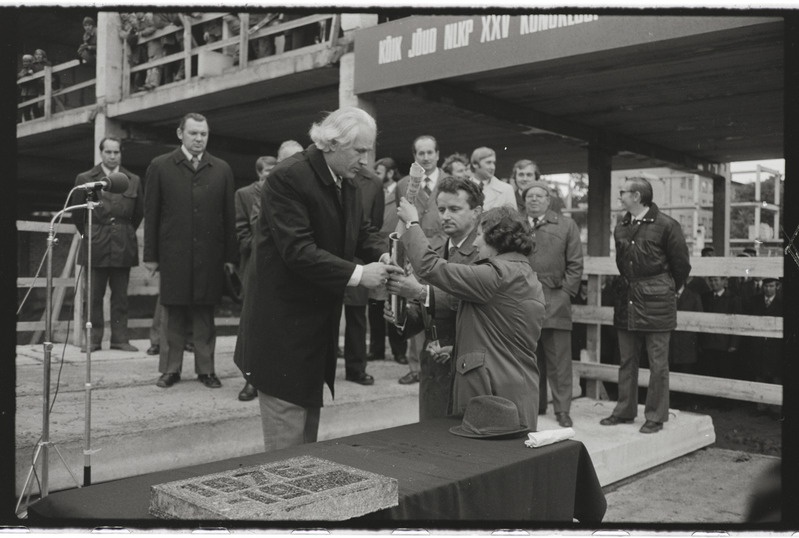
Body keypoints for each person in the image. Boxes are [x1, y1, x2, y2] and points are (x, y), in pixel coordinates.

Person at [233, 106, 399, 452]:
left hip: (312, 336)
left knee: (305, 448)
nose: (367, 160)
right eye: (360, 151)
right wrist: (359, 274)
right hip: (282, 336)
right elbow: (298, 250)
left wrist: (381, 254)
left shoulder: (345, 179)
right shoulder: (288, 177)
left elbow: (359, 232)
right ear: (332, 144)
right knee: (286, 453)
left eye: (369, 150)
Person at [391, 203, 545, 431]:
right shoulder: (521, 273)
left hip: (495, 394)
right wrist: (458, 351)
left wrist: (412, 223)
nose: (475, 242)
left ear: (497, 239)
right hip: (513, 388)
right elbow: (503, 337)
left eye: (481, 235)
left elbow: (430, 266)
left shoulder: (497, 275)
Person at [144, 112, 237, 389]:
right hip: (174, 253)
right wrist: (151, 255)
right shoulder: (160, 166)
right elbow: (152, 214)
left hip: (210, 255)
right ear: (180, 134)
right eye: (193, 133)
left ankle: (206, 370)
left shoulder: (221, 169)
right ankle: (170, 370)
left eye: (204, 134)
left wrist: (230, 257)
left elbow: (228, 217)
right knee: (173, 312)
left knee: (205, 314)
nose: (199, 139)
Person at [385, 176, 483, 420]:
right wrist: (401, 315)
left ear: (477, 212)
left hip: (468, 369)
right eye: (441, 209)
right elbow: (427, 312)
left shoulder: (483, 253)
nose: (445, 215)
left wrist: (417, 291)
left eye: (455, 209)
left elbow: (463, 300)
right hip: (434, 369)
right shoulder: (437, 252)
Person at [601, 176, 690, 434]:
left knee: (657, 363)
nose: (620, 197)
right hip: (627, 299)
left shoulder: (666, 225)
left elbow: (681, 265)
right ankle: (625, 410)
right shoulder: (622, 225)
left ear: (637, 196)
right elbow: (622, 263)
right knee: (626, 360)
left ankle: (655, 416)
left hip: (657, 302)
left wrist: (663, 288)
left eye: (623, 192)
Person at [71, 137, 144, 353]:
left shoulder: (133, 179)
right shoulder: (86, 178)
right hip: (96, 243)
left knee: (121, 296)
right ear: (101, 153)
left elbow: (138, 213)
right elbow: (77, 213)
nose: (112, 156)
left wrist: (125, 231)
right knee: (93, 295)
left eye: (116, 152)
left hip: (123, 244)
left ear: (121, 153)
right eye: (108, 152)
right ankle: (93, 340)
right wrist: (91, 234)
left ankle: (120, 339)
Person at [523, 182, 583, 428]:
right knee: (528, 357)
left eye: (539, 196)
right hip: (523, 300)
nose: (534, 200)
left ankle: (562, 410)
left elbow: (576, 264)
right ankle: (534, 405)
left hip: (556, 298)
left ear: (549, 200)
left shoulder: (566, 225)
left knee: (559, 359)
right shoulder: (517, 225)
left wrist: (566, 293)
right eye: (529, 196)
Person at [394, 135, 447, 385]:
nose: (425, 157)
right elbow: (401, 221)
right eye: (420, 153)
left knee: (440, 306)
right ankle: (415, 367)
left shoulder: (451, 181)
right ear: (414, 156)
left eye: (430, 153)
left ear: (438, 154)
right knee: (415, 305)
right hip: (415, 256)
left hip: (442, 254)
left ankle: (441, 359)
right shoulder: (404, 183)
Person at [233, 155, 277, 401]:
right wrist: (265, 248)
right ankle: (250, 380)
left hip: (279, 267)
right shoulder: (245, 194)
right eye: (268, 171)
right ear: (259, 173)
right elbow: (242, 233)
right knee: (251, 322)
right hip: (254, 264)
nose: (271, 175)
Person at [342, 166, 385, 385]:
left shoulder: (374, 183)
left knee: (357, 316)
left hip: (359, 256)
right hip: (330, 257)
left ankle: (356, 368)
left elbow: (373, 225)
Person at [368, 157, 408, 365]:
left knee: (395, 301)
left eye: (380, 171)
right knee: (375, 303)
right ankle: (376, 349)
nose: (376, 175)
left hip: (396, 249)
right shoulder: (375, 192)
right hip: (377, 250)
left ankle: (399, 350)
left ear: (391, 173)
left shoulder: (400, 193)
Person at [745, 277, 782, 405]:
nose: (768, 289)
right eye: (766, 286)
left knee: (775, 377)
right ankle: (760, 406)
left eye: (771, 286)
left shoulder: (782, 303)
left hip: (775, 346)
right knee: (759, 375)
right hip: (758, 345)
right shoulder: (755, 301)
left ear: (777, 287)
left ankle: (775, 408)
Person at [699, 276, 742, 380]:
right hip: (708, 343)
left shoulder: (733, 298)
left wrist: (733, 344)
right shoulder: (704, 297)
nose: (713, 283)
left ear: (724, 281)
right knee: (708, 374)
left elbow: (737, 322)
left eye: (716, 280)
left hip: (724, 345)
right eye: (711, 280)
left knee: (723, 374)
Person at [17, 54, 37, 122]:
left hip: (33, 92)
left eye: (27, 61)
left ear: (31, 62)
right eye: (24, 62)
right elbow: (18, 76)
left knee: (35, 108)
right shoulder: (23, 70)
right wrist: (26, 74)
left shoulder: (34, 69)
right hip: (24, 92)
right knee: (25, 110)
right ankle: (28, 122)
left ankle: (36, 122)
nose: (25, 63)